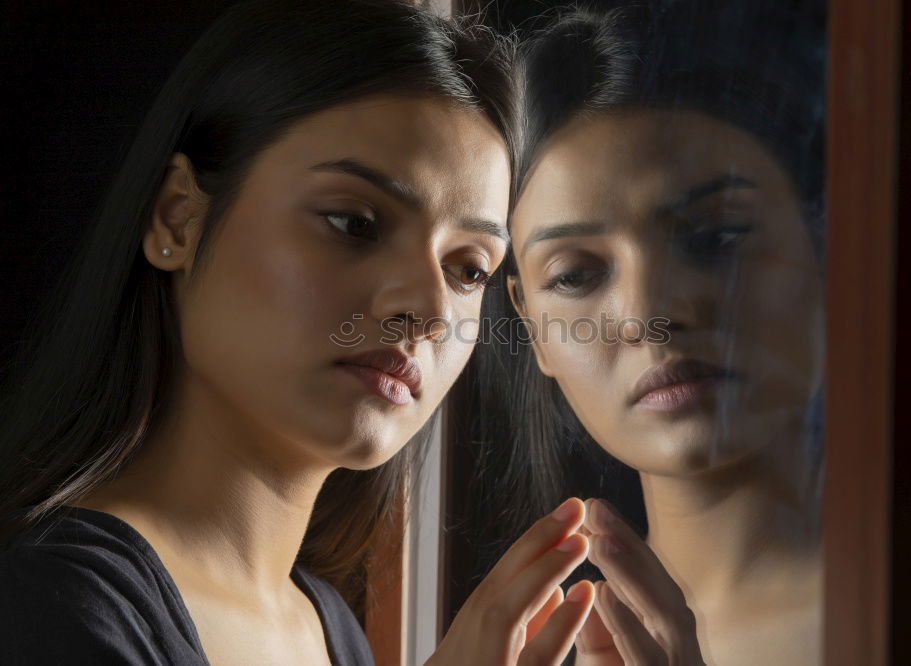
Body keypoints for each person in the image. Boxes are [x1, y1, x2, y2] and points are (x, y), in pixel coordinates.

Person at [0, 1, 596, 664]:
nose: (428, 309)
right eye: (355, 223)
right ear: (176, 220)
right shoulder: (47, 603)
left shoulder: (330, 629)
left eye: (467, 269)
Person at [471, 1, 826, 664]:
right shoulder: (527, 648)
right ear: (533, 327)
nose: (647, 315)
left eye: (715, 238)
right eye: (576, 275)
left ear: (822, 244)